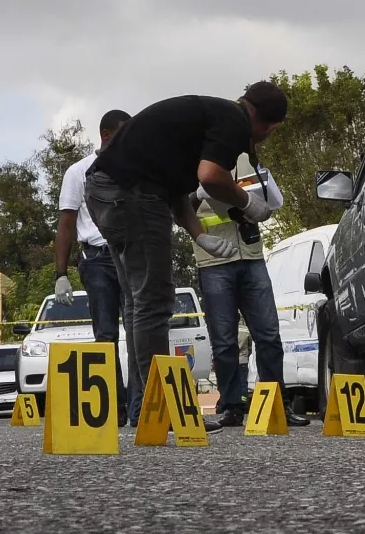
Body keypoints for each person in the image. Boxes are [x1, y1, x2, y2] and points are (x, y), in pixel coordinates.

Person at [85, 81, 288, 433]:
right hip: (132, 195)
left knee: (136, 302)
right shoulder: (234, 121)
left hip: (106, 190)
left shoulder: (201, 121)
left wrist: (200, 236)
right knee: (153, 302)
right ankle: (163, 409)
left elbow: (177, 191)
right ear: (271, 125)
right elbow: (211, 178)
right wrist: (247, 202)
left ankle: (146, 411)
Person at [191, 153, 310, 427]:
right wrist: (198, 193)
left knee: (268, 334)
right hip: (214, 261)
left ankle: (276, 405)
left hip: (253, 256)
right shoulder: (193, 163)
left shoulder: (248, 159)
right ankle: (231, 406)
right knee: (224, 341)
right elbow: (180, 209)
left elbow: (270, 201)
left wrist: (260, 201)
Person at [54, 109, 134, 427]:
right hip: (97, 258)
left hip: (131, 254)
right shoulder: (78, 172)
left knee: (140, 328)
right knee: (105, 335)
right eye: (125, 136)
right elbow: (66, 223)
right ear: (106, 135)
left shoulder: (135, 168)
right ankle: (114, 409)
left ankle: (141, 406)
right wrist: (60, 274)